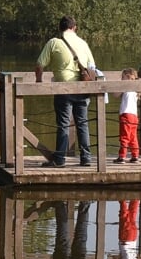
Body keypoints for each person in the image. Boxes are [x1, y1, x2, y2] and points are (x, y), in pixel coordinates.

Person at [35, 16, 97, 167]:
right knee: (82, 123)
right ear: (74, 27)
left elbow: (39, 65)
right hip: (83, 88)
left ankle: (60, 159)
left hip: (63, 88)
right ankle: (86, 158)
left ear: (60, 28)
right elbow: (92, 67)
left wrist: (38, 81)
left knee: (63, 124)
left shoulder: (54, 42)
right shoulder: (83, 43)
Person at [117, 68, 141, 163]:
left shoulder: (126, 88)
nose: (121, 80)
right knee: (133, 137)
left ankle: (122, 156)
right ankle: (135, 156)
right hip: (134, 116)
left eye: (122, 77)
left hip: (126, 115)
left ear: (128, 77)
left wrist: (120, 86)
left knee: (124, 137)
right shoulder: (136, 90)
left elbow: (115, 95)